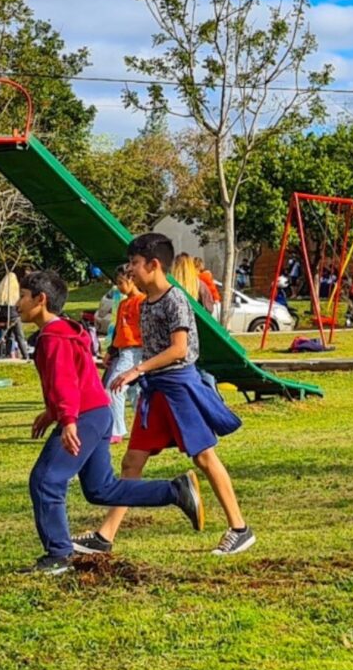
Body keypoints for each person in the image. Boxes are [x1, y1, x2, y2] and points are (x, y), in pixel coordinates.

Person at [71, 233, 255, 558]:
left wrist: (137, 370)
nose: (130, 271)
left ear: (154, 265)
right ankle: (105, 535)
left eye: (135, 264)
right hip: (155, 391)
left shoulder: (174, 299)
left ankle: (240, 529)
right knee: (132, 462)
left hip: (179, 387)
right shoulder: (145, 303)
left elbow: (179, 349)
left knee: (204, 457)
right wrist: (118, 357)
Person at [17, 269, 205, 574]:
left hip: (83, 417)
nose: (18, 303)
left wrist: (67, 421)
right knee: (101, 488)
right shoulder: (66, 330)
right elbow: (78, 378)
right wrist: (52, 413)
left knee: (45, 480)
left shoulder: (53, 338)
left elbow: (64, 382)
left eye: (23, 297)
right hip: (98, 413)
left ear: (41, 300)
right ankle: (175, 491)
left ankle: (58, 555)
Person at [104, 265, 146, 443]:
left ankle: (117, 429)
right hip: (123, 351)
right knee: (134, 392)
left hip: (135, 351)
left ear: (131, 279)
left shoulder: (142, 301)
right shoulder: (123, 303)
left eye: (121, 282)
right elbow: (118, 331)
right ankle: (145, 427)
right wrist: (110, 351)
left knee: (114, 388)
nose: (119, 287)